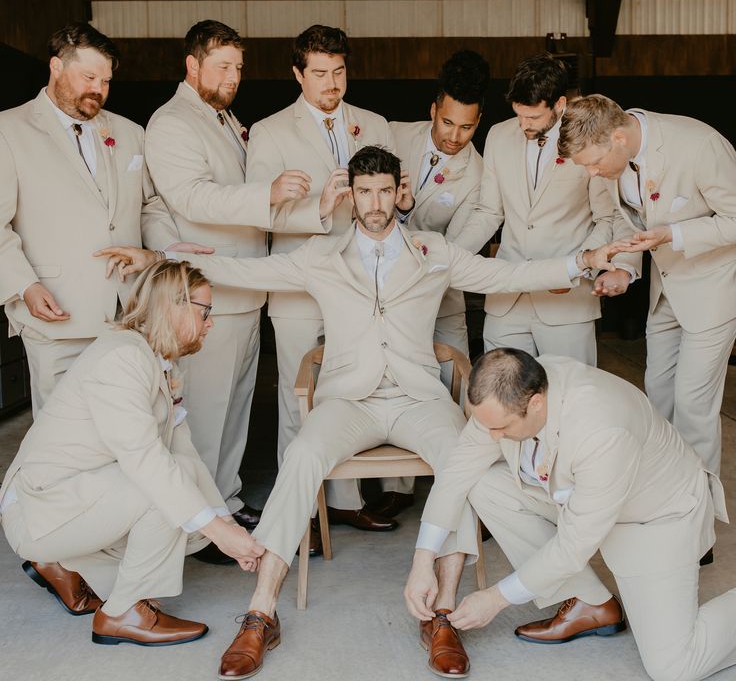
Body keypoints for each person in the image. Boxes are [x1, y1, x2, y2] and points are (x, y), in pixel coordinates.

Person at [96, 145, 619, 679]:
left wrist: (580, 262)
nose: (374, 203)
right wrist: (159, 261)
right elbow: (247, 269)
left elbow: (504, 275)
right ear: (351, 194)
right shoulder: (321, 255)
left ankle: (442, 614)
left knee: (463, 464)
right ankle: (260, 612)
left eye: (383, 191)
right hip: (348, 400)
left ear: (399, 190)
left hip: (418, 397)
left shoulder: (433, 250)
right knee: (300, 456)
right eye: (364, 192)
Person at [406, 348, 734, 681]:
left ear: (535, 403)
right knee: (484, 484)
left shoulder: (602, 428)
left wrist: (496, 598)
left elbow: (573, 546)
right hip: (575, 498)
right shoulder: (508, 395)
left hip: (653, 516)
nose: (492, 437)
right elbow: (456, 474)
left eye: (501, 427)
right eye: (485, 425)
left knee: (675, 667)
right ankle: (590, 603)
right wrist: (422, 562)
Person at [0, 260, 264, 647]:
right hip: (40, 507)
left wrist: (225, 524)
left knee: (187, 506)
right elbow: (146, 461)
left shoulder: (157, 358)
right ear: (174, 306)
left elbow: (183, 450)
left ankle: (80, 566)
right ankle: (122, 613)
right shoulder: (122, 359)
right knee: (160, 495)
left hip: (80, 492)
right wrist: (218, 530)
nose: (211, 323)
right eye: (205, 311)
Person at [145, 20, 337, 545]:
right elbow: (191, 197)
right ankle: (200, 529)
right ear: (192, 64)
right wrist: (268, 194)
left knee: (235, 411)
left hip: (246, 288)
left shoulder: (224, 119)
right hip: (209, 289)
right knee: (203, 417)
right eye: (222, 66)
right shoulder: (172, 122)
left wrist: (304, 208)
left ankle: (224, 502)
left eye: (238, 67)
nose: (233, 76)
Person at [245, 24, 401, 536]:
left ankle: (346, 500)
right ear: (297, 74)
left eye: (338, 71)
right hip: (298, 286)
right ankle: (303, 514)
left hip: (362, 285)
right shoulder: (269, 131)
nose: (331, 83)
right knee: (299, 398)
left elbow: (395, 198)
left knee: (349, 392)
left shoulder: (374, 121)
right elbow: (263, 216)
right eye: (319, 74)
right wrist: (321, 207)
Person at [0, 22, 197, 414]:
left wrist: (166, 250)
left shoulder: (129, 131)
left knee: (128, 424)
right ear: (56, 67)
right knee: (63, 434)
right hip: (56, 310)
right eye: (88, 77)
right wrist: (23, 286)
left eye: (106, 80)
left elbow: (149, 205)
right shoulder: (8, 130)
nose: (99, 90)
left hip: (129, 312)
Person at [559, 94, 736, 475]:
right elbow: (631, 222)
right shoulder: (613, 160)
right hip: (665, 291)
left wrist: (673, 233)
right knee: (657, 396)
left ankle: (697, 511)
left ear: (618, 138)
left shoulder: (698, 145)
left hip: (713, 292)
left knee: (692, 404)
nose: (591, 174)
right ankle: (666, 490)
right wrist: (624, 269)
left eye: (592, 163)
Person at [377, 49, 489, 520]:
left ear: (479, 122)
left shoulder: (479, 175)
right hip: (386, 296)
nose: (454, 136)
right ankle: (398, 487)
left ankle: (463, 487)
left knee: (456, 388)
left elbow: (454, 252)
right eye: (447, 123)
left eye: (466, 127)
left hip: (442, 296)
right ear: (433, 110)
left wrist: (406, 220)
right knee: (394, 382)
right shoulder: (391, 136)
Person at [478, 54, 638, 366]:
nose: (523, 124)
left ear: (560, 104)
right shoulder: (498, 135)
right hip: (506, 299)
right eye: (518, 114)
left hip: (566, 300)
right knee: (498, 395)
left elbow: (607, 217)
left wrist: (576, 267)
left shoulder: (587, 141)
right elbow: (488, 212)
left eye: (533, 118)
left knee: (571, 396)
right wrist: (449, 255)